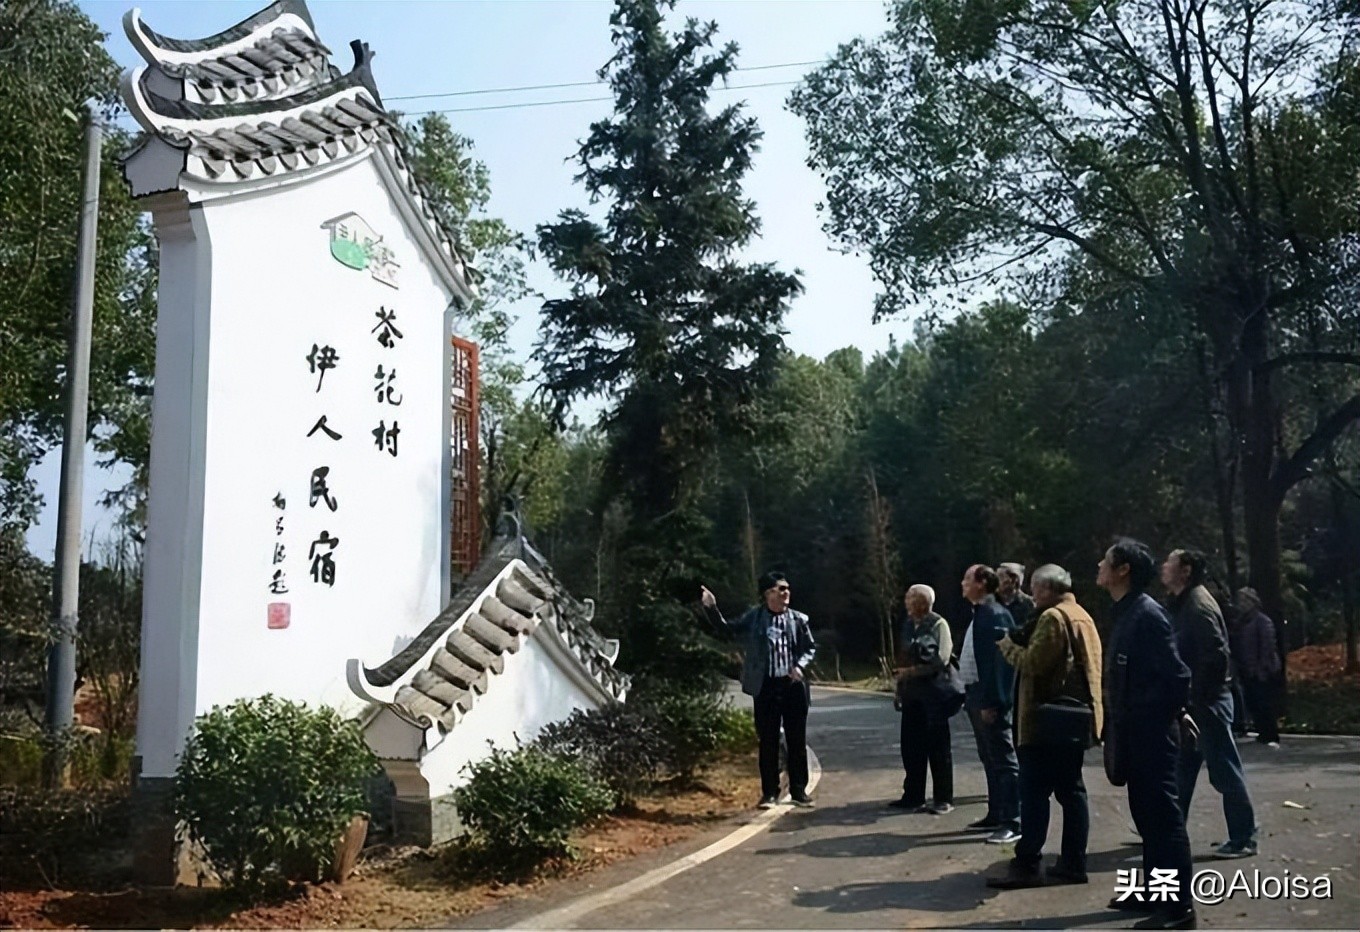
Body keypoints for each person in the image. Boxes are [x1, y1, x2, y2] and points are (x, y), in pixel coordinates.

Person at [1099, 538, 1196, 930]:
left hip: (1151, 733)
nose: (1099, 565)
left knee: (1162, 819)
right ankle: (1157, 891)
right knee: (1146, 817)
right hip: (1134, 732)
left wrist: (1163, 717)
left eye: (1106, 561)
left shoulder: (1147, 615)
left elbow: (1177, 676)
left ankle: (1178, 909)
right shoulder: (1126, 612)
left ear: (1123, 570)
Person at [988, 564, 1103, 889]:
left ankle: (1027, 863)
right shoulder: (1081, 614)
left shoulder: (1053, 618)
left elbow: (1034, 662)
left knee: (1034, 793)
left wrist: (1008, 646)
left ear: (1047, 590)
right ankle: (1073, 862)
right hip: (1073, 719)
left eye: (1036, 589)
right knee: (1071, 791)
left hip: (1047, 723)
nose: (1033, 596)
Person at [1162, 550, 1259, 859]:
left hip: (1208, 703)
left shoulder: (1198, 606)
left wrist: (1196, 695)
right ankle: (1169, 828)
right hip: (1196, 701)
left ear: (1186, 570)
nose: (1163, 568)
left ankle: (1244, 837)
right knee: (1182, 769)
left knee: (1224, 770)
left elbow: (1216, 656)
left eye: (1170, 564)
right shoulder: (1184, 603)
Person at [700, 571, 816, 809]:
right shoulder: (755, 617)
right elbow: (726, 630)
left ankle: (798, 791)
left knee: (796, 740)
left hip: (793, 686)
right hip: (766, 686)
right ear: (768, 594)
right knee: (768, 741)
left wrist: (800, 666)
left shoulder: (798, 620)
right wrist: (712, 608)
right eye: (780, 589)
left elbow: (811, 648)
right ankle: (770, 793)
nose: (786, 593)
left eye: (787, 589)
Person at [959, 564, 1020, 844]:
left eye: (967, 579)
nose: (962, 583)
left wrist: (992, 701)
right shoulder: (981, 613)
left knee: (1004, 759)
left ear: (982, 583)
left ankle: (1013, 820)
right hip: (976, 696)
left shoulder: (994, 614)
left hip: (990, 700)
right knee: (990, 757)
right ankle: (996, 812)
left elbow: (1001, 664)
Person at [890, 584, 956, 814]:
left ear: (924, 602)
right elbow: (901, 660)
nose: (907, 602)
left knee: (938, 749)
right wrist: (899, 688)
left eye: (911, 598)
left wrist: (914, 672)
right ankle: (913, 795)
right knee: (911, 748)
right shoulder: (908, 625)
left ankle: (943, 799)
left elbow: (942, 659)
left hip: (934, 696)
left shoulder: (939, 624)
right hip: (911, 695)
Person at [1232, 587, 1282, 747]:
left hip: (1263, 669)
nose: (1242, 604)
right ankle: (1262, 731)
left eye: (1245, 600)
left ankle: (1270, 733)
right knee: (1253, 702)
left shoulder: (1262, 620)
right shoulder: (1242, 621)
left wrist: (1261, 668)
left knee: (1264, 702)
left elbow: (1267, 646)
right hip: (1247, 668)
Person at [998, 562, 1036, 628]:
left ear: (1014, 580)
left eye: (1001, 576)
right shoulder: (990, 600)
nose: (996, 580)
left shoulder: (1028, 604)